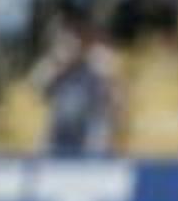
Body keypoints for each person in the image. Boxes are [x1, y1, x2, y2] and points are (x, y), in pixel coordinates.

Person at [29, 17, 119, 156]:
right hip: (61, 130)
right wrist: (57, 64)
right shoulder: (57, 67)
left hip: (87, 130)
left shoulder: (94, 69)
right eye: (66, 44)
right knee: (41, 146)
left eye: (74, 44)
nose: (71, 48)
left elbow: (113, 102)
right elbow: (35, 87)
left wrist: (105, 75)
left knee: (99, 130)